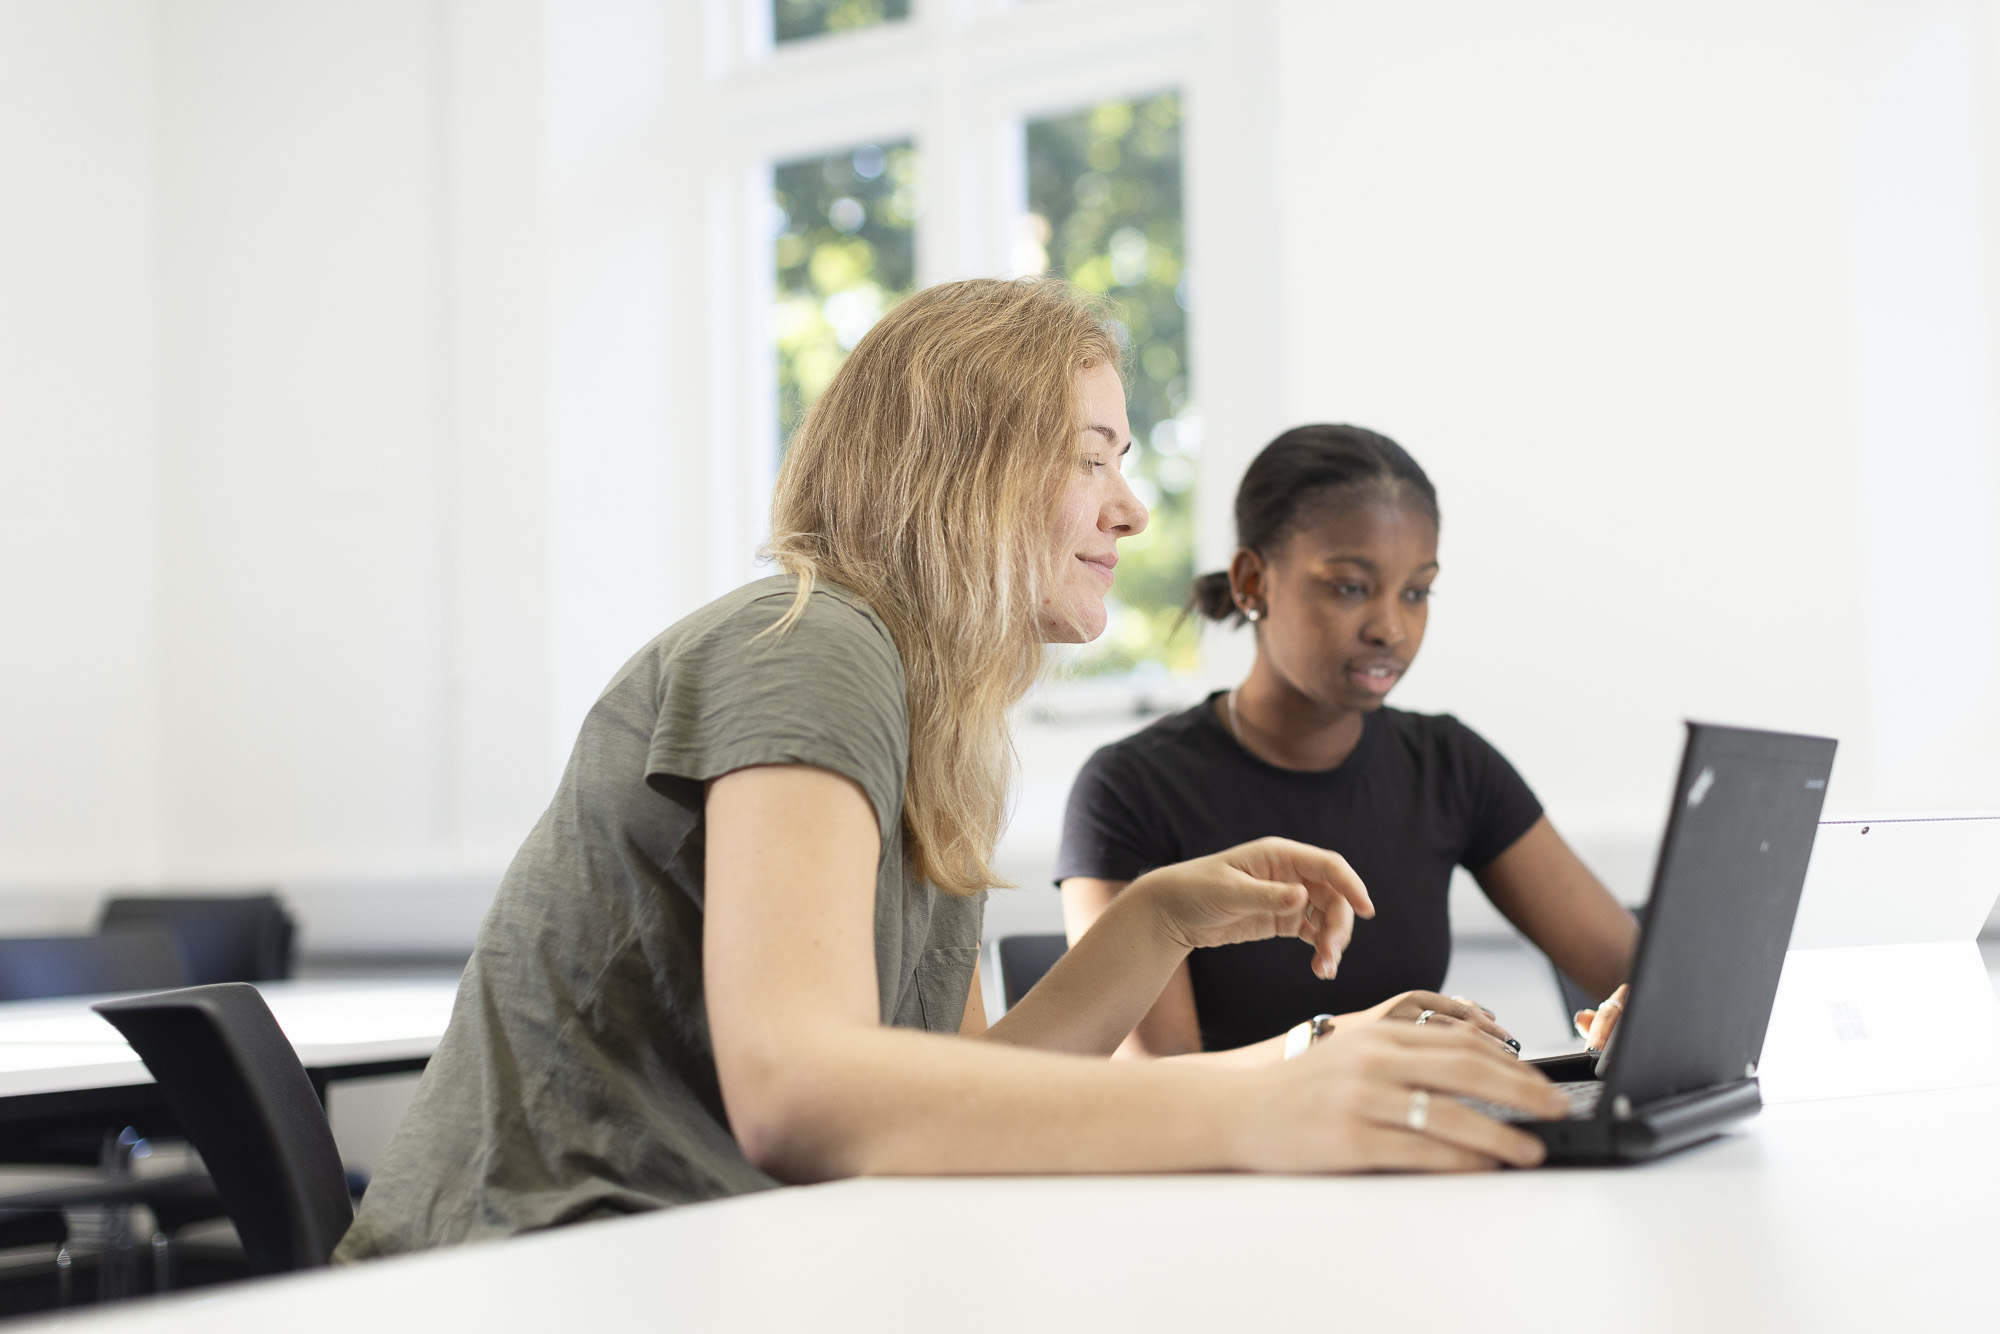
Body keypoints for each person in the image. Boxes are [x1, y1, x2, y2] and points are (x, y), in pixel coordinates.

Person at [336, 283, 1569, 1260]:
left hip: (698, 1257)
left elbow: (964, 1100)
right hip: (527, 1271)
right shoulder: (812, 646)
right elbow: (800, 1089)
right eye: (1094, 457)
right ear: (964, 467)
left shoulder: (932, 720)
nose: (1132, 511)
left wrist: (1156, 919)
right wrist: (1266, 1098)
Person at [1057, 425, 1637, 1059]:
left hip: (1410, 1143)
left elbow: (1637, 970)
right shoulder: (1130, 789)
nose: (1391, 627)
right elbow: (1153, 1090)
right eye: (1350, 588)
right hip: (1230, 1155)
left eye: (1416, 592)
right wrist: (1343, 1044)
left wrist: (1640, 1005)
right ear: (1253, 581)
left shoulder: (1449, 765)